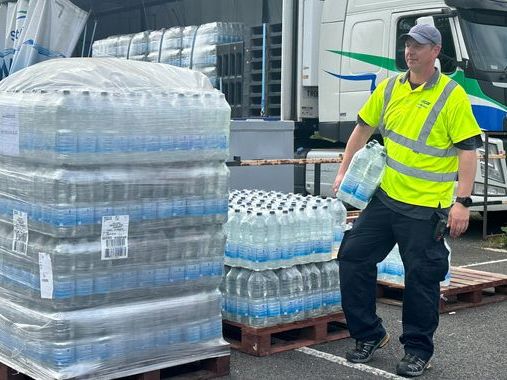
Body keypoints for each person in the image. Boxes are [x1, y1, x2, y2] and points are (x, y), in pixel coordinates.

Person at [333, 24, 482, 377]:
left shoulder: (452, 95)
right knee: (352, 257)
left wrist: (462, 201)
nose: (410, 52)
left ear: (436, 51)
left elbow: (468, 151)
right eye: (408, 45)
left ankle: (418, 350)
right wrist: (343, 171)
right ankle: (370, 334)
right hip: (387, 199)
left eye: (419, 46)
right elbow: (362, 129)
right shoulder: (389, 89)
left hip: (428, 206)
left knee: (422, 278)